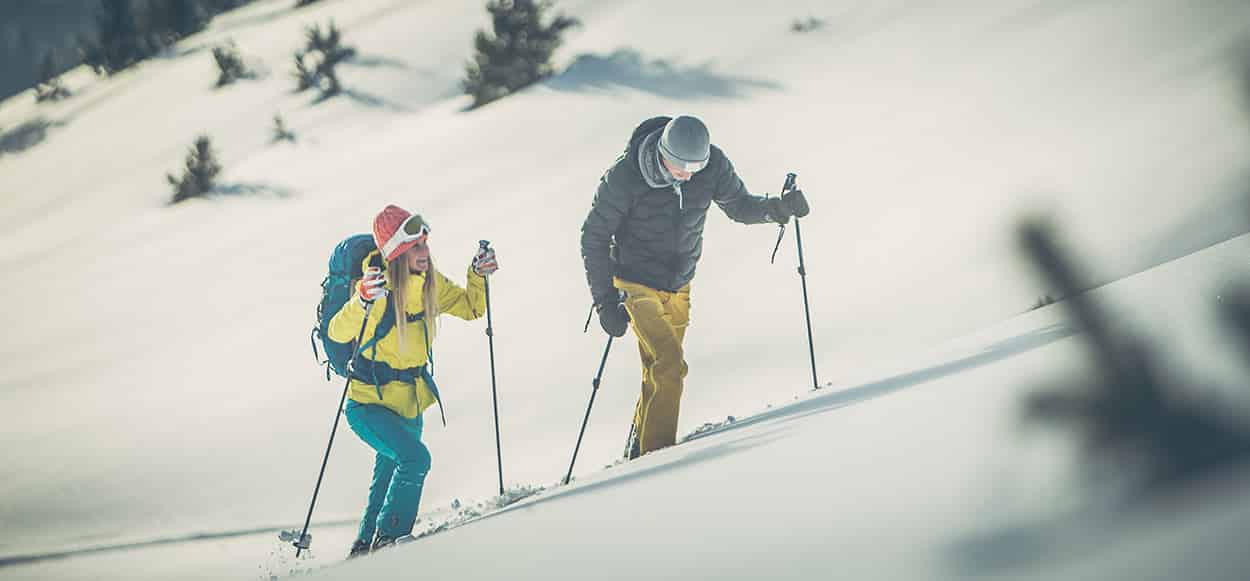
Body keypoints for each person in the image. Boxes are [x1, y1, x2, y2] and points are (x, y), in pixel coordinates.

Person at [579, 115, 810, 459]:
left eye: (695, 165)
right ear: (661, 152)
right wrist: (604, 303)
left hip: (679, 283)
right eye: (679, 165)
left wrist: (777, 209)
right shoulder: (624, 177)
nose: (687, 173)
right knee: (670, 364)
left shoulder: (712, 166)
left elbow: (740, 206)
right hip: (634, 281)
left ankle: (640, 445)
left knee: (657, 369)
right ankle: (656, 459)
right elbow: (593, 237)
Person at [330, 204, 499, 557]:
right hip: (368, 405)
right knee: (415, 460)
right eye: (416, 247)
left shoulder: (429, 285)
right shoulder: (377, 289)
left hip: (410, 404)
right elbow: (338, 330)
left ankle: (365, 547)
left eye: (425, 245)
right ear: (397, 254)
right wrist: (361, 299)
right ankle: (391, 542)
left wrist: (476, 274)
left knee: (390, 469)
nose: (425, 253)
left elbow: (471, 307)